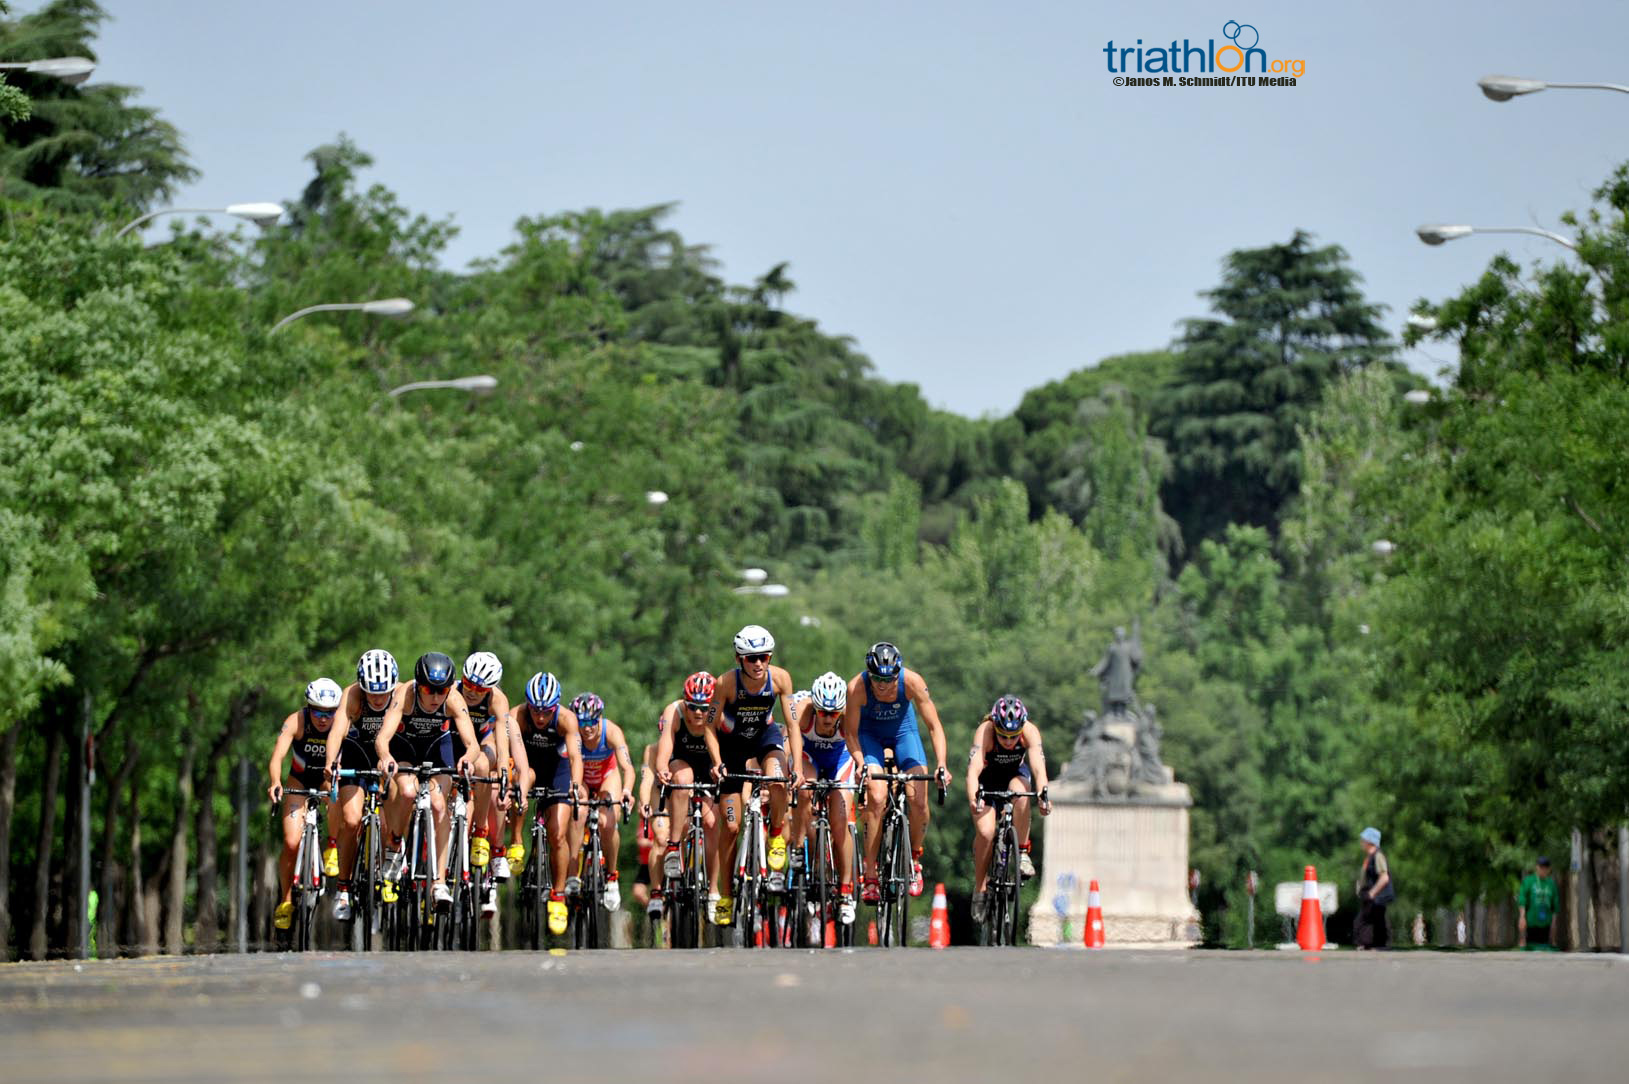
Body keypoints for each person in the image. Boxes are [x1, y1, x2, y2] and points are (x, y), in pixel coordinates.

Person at [843, 641, 950, 902]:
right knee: (877, 796)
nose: (882, 684)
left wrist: (942, 765)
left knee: (919, 799)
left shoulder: (912, 682)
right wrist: (860, 764)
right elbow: (850, 732)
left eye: (888, 679)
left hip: (904, 734)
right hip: (870, 738)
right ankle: (870, 874)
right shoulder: (856, 687)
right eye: (877, 678)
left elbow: (934, 726)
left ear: (898, 673)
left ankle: (913, 860)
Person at [374, 652, 481, 911]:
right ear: (418, 685)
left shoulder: (453, 699)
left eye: (441, 691)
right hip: (406, 748)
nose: (434, 698)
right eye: (428, 690)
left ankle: (439, 883)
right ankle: (395, 843)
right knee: (408, 792)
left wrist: (467, 758)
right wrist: (386, 756)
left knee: (438, 805)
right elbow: (382, 738)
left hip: (436, 748)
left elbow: (472, 744)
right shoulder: (405, 695)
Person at [712, 625, 801, 924]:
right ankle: (725, 894)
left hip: (765, 736)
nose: (758, 663)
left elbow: (792, 726)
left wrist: (797, 768)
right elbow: (710, 730)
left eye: (763, 656)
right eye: (751, 658)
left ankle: (775, 833)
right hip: (732, 748)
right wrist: (715, 761)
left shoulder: (781, 679)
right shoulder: (725, 683)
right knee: (732, 827)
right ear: (739, 659)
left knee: (777, 779)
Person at [322, 649, 399, 917]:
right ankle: (343, 888)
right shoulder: (352, 695)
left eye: (383, 692)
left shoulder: (401, 694)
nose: (377, 699)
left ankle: (390, 868)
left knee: (394, 819)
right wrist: (331, 762)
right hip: (357, 752)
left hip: (389, 755)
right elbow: (337, 731)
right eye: (371, 693)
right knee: (352, 820)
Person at [966, 695, 1051, 925]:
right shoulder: (985, 731)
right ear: (995, 726)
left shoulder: (1030, 731)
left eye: (1013, 737)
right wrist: (975, 798)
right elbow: (973, 771)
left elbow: (1038, 768)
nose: (1008, 741)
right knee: (985, 832)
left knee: (1022, 794)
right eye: (1003, 735)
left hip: (1014, 776)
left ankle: (1022, 852)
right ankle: (981, 887)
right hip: (987, 781)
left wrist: (1044, 795)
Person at [267, 678, 344, 931]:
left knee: (336, 797)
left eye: (330, 713)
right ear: (308, 707)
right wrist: (276, 781)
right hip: (298, 782)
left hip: (325, 780)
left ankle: (332, 845)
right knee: (290, 843)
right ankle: (286, 900)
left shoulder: (343, 723)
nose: (323, 718)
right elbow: (278, 755)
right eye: (317, 711)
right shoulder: (296, 721)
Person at [512, 671, 584, 936]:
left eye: (546, 712)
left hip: (558, 769)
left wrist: (575, 785)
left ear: (556, 706)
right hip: (528, 765)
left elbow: (576, 757)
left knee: (557, 833)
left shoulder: (566, 719)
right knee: (521, 779)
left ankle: (558, 896)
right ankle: (517, 840)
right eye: (535, 711)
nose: (540, 717)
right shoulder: (517, 716)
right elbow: (511, 753)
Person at [790, 671, 859, 927]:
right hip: (809, 757)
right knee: (804, 790)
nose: (828, 718)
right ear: (815, 708)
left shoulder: (849, 716)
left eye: (833, 713)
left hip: (839, 760)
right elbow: (790, 740)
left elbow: (859, 746)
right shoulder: (803, 709)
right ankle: (798, 846)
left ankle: (844, 892)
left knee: (840, 823)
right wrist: (793, 769)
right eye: (823, 712)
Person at [655, 672, 725, 916]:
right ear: (685, 702)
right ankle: (674, 848)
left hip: (709, 766)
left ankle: (714, 888)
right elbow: (665, 744)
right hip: (682, 761)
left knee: (712, 822)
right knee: (682, 780)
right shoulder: (673, 711)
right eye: (692, 706)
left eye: (704, 708)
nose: (697, 713)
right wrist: (662, 767)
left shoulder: (721, 715)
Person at [568, 692, 636, 912]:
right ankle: (573, 874)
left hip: (608, 777)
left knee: (608, 823)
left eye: (591, 722)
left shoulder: (612, 732)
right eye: (581, 722)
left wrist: (627, 791)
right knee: (578, 817)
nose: (586, 728)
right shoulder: (572, 734)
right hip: (583, 780)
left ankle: (612, 877)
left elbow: (628, 768)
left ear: (600, 719)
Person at [458, 651, 512, 897]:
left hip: (483, 742)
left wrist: (503, 771)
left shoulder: (498, 700)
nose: (471, 692)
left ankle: (481, 831)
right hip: (454, 742)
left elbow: (502, 738)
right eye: (468, 684)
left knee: (481, 765)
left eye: (479, 689)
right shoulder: (451, 691)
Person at [1353, 826, 1392, 950]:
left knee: (1364, 921)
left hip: (1376, 896)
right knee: (1374, 921)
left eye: (1363, 840)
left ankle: (1368, 944)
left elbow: (1384, 877)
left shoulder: (1378, 856)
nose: (1361, 842)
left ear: (1370, 841)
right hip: (1370, 896)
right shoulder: (1370, 857)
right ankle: (1373, 945)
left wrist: (1372, 893)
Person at [1517, 856, 1559, 951]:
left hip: (1546, 924)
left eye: (1545, 867)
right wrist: (1522, 916)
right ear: (1537, 867)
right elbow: (1522, 899)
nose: (1543, 870)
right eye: (1541, 867)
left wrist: (1554, 922)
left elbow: (1555, 904)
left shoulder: (1551, 884)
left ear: (1549, 869)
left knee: (1545, 948)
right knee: (1529, 948)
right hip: (1531, 923)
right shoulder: (1529, 881)